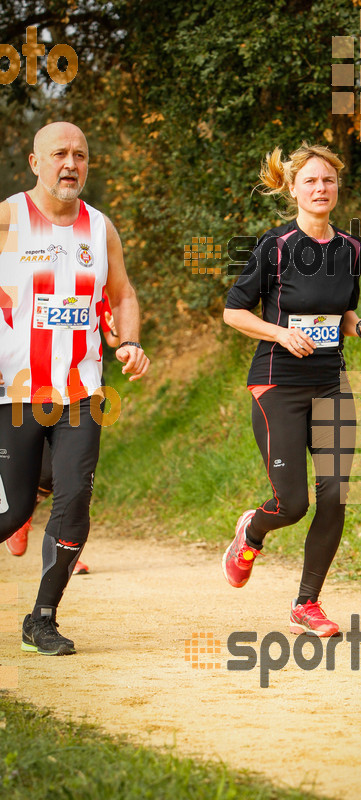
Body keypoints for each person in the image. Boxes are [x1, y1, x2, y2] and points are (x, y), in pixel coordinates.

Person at [222, 142, 361, 636]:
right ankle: (251, 531)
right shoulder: (274, 246)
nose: (321, 188)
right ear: (293, 188)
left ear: (338, 188)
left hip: (330, 383)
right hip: (278, 386)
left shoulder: (351, 249)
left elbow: (342, 310)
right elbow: (233, 311)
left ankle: (306, 604)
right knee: (292, 505)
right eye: (311, 181)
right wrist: (279, 332)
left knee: (334, 495)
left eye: (328, 181)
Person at [0, 121, 149, 655]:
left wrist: (128, 341)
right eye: (59, 154)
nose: (70, 164)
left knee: (75, 498)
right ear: (35, 163)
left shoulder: (99, 227)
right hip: (14, 393)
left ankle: (42, 618)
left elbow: (123, 292)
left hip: (81, 392)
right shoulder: (9, 216)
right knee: (13, 510)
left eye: (80, 155)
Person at [4, 290, 119, 569]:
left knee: (71, 477)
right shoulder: (22, 263)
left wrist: (118, 330)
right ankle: (19, 512)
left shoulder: (94, 277)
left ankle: (62, 548)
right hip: (26, 386)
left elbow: (114, 336)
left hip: (80, 389)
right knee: (40, 470)